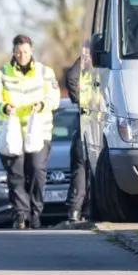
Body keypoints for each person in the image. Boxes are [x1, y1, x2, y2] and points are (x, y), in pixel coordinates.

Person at [0, 34, 60, 229]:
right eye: (18, 52)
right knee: (16, 176)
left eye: (25, 52)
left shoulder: (45, 72)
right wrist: (4, 107)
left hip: (39, 132)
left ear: (31, 51)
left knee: (37, 171)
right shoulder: (1, 74)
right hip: (12, 134)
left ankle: (35, 214)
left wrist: (42, 104)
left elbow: (55, 98)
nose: (22, 56)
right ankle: (20, 216)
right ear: (13, 52)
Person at [61, 44, 92, 225]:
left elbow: (71, 78)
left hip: (86, 118)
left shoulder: (86, 61)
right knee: (86, 166)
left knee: (80, 167)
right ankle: (83, 209)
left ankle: (75, 210)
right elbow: (72, 78)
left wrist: (79, 101)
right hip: (97, 119)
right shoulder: (105, 62)